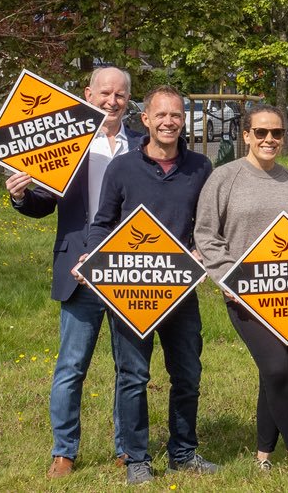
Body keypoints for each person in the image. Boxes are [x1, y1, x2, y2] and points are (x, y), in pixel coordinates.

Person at [8, 66, 143, 479]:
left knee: (131, 368)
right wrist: (20, 196)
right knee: (71, 366)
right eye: (105, 93)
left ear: (128, 99)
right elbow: (42, 204)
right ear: (87, 93)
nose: (112, 101)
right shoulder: (65, 144)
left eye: (120, 95)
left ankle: (127, 448)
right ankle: (64, 451)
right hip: (78, 268)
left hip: (130, 269)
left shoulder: (142, 144)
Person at [81, 85, 217, 484]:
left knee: (188, 373)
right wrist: (93, 257)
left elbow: (207, 225)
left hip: (180, 289)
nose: (169, 122)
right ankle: (136, 458)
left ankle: (183, 452)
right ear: (146, 120)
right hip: (130, 291)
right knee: (133, 376)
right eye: (161, 115)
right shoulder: (121, 167)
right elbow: (102, 223)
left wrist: (199, 252)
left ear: (183, 120)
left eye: (176, 115)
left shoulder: (200, 167)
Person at [194, 105, 288, 477]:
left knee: (274, 374)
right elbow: (206, 234)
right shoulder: (225, 178)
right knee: (276, 368)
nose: (270, 139)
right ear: (246, 135)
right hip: (244, 296)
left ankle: (264, 453)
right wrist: (229, 277)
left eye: (277, 133)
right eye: (262, 132)